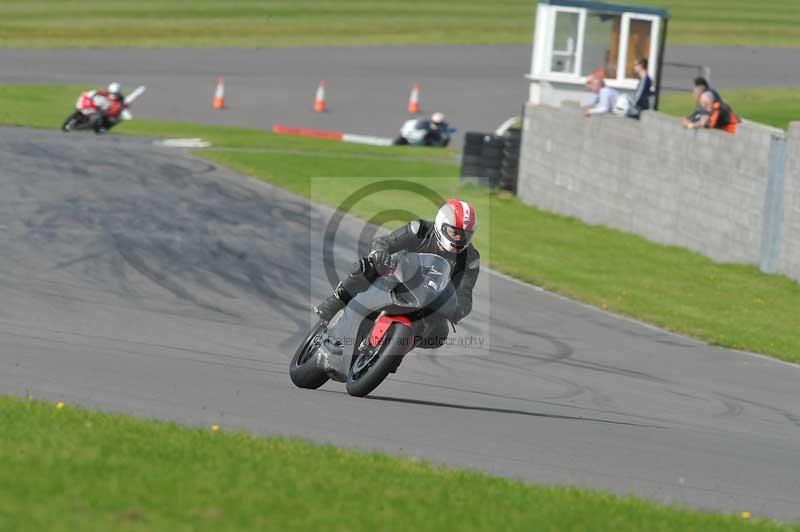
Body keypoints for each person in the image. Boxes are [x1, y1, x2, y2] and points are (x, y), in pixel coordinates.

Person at [314, 199, 480, 348]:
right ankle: (334, 303)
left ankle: (395, 351)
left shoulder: (471, 259)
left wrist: (458, 309)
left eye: (464, 235)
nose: (459, 239)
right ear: (441, 224)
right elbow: (385, 242)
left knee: (439, 334)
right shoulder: (419, 229)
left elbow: (465, 294)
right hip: (399, 274)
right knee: (365, 267)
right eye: (454, 232)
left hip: (430, 296)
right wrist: (380, 253)